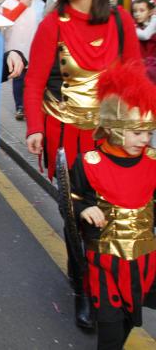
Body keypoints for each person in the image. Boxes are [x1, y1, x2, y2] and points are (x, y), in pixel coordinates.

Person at [23, 0, 141, 329]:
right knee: (77, 215)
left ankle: (114, 280)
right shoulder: (51, 25)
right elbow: (35, 80)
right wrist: (34, 128)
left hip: (112, 134)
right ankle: (85, 289)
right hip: (67, 135)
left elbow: (135, 75)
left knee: (116, 211)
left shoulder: (121, 20)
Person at [69, 61, 156, 350]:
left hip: (143, 261)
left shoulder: (153, 161)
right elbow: (71, 197)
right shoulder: (89, 163)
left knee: (130, 320)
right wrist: (83, 209)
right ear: (115, 128)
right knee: (109, 328)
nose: (144, 139)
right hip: (104, 262)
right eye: (137, 132)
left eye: (148, 132)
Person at [1, 0, 45, 120]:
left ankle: (34, 107)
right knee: (19, 79)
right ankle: (20, 107)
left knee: (33, 80)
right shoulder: (8, 3)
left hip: (35, 47)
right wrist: (23, 5)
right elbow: (7, 20)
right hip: (15, 48)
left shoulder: (38, 4)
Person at [132, 0, 156, 83]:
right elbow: (145, 35)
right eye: (135, 11)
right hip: (140, 61)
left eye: (142, 10)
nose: (137, 14)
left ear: (150, 12)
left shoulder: (153, 26)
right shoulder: (134, 27)